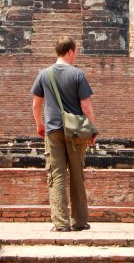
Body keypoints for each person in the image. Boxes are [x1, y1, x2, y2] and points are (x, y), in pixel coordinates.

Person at [30, 35, 97, 232]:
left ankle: (60, 223)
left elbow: (36, 105)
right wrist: (92, 129)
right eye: (75, 52)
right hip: (76, 133)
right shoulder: (78, 75)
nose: (75, 56)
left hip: (52, 131)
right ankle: (79, 221)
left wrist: (39, 124)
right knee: (77, 174)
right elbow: (86, 106)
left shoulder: (44, 74)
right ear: (70, 51)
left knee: (56, 175)